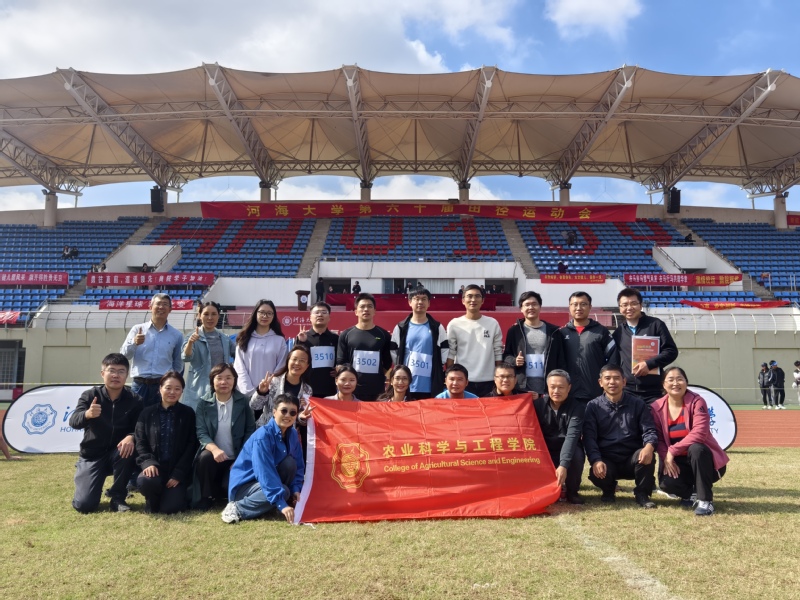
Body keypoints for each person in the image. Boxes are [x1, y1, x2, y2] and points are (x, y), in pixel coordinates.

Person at [651, 367, 729, 516]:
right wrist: (666, 456)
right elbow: (659, 438)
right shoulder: (656, 407)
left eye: (679, 379)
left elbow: (700, 433)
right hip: (678, 462)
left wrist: (672, 450)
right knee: (667, 484)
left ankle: (705, 501)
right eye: (670, 380)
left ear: (686, 382)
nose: (675, 383)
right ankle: (691, 493)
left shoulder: (697, 401)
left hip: (705, 462)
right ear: (663, 384)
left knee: (696, 448)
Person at [70, 353, 142, 513]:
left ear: (127, 375)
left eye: (121, 371)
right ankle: (85, 474)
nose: (116, 375)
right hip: (92, 455)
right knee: (84, 505)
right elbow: (73, 421)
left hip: (118, 454)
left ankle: (117, 497)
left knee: (128, 448)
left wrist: (131, 436)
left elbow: (140, 427)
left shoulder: (135, 399)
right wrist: (87, 414)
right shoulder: (90, 395)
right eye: (112, 370)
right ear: (103, 373)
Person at [222, 393, 309, 524]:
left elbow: (298, 465)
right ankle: (237, 508)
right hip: (246, 486)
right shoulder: (263, 436)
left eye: (292, 413)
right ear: (274, 412)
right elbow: (264, 472)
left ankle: (273, 502)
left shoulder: (292, 434)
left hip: (267, 483)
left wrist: (296, 490)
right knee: (283, 491)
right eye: (283, 411)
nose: (288, 415)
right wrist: (281, 502)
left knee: (289, 464)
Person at [583, 364, 658, 508]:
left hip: (632, 458)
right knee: (596, 471)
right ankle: (608, 490)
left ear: (624, 382)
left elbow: (650, 430)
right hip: (607, 459)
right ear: (600, 382)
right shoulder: (593, 406)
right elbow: (589, 438)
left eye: (616, 378)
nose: (612, 382)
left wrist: (649, 447)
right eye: (607, 378)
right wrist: (596, 460)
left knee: (647, 455)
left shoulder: (637, 404)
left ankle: (642, 494)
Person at [194, 363, 256, 510]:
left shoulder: (243, 401)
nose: (224, 382)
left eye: (228, 378)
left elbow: (250, 430)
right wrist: (215, 449)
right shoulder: (203, 403)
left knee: (225, 488)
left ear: (234, 380)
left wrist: (241, 458)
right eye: (219, 378)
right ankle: (206, 496)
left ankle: (223, 490)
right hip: (214, 458)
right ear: (212, 381)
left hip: (236, 457)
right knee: (204, 457)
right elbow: (201, 432)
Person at [135, 371, 198, 514]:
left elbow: (192, 444)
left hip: (176, 470)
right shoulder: (147, 413)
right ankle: (152, 499)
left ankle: (170, 496)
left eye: (177, 388)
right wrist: (148, 463)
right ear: (160, 389)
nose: (172, 392)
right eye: (168, 388)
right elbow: (140, 441)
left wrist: (179, 473)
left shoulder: (188, 413)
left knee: (171, 508)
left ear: (182, 391)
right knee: (146, 482)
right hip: (155, 469)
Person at [613, 288, 679, 405]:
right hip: (628, 391)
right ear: (620, 308)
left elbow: (671, 351)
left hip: (653, 391)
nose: (629, 308)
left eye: (633, 303)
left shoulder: (656, 324)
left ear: (641, 305)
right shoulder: (619, 332)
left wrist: (649, 364)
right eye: (625, 305)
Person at [120, 293, 184, 407]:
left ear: (170, 309)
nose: (161, 307)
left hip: (162, 386)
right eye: (158, 304)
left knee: (162, 417)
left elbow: (178, 364)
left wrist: (170, 382)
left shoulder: (176, 335)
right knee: (136, 416)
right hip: (140, 385)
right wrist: (134, 343)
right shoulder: (137, 329)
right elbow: (124, 356)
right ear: (150, 307)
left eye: (165, 304)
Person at [533, 370, 586, 504]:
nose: (556, 391)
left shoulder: (577, 407)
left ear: (569, 388)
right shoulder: (538, 405)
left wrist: (563, 464)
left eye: (561, 387)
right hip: (545, 449)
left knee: (577, 455)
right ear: (547, 387)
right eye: (552, 387)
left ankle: (572, 492)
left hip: (568, 448)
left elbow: (572, 437)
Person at [503, 291, 565, 401]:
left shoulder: (554, 332)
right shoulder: (514, 331)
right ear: (521, 308)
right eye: (527, 305)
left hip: (548, 388)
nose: (531, 307)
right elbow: (506, 355)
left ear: (540, 307)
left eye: (534, 304)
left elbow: (561, 360)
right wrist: (514, 361)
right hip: (521, 387)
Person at [390, 287, 449, 399]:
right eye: (416, 299)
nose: (420, 302)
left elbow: (444, 350)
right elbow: (394, 351)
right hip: (406, 385)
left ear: (429, 303)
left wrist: (437, 366)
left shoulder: (437, 327)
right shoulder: (401, 327)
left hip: (430, 384)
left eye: (424, 299)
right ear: (410, 302)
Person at [446, 284, 503, 397]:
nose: (473, 299)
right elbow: (451, 353)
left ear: (483, 300)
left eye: (477, 296)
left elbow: (498, 353)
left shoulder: (492, 323)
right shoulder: (454, 324)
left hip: (488, 381)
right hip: (463, 381)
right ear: (463, 300)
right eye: (469, 296)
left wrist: (498, 377)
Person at [560, 291, 617, 404]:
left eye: (583, 304)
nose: (578, 308)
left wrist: (607, 384)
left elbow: (613, 360)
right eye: (575, 304)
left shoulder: (601, 332)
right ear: (569, 307)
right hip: (568, 394)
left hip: (596, 393)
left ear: (590, 307)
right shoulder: (561, 333)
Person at [336, 293, 392, 401]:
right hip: (352, 392)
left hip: (376, 391)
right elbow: (341, 364)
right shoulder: (346, 334)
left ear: (374, 311)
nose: (366, 309)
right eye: (362, 306)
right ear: (356, 311)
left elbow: (387, 363)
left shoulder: (384, 335)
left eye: (369, 306)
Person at [181, 301, 235, 411]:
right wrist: (190, 343)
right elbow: (186, 357)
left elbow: (239, 355)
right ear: (199, 316)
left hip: (220, 387)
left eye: (214, 314)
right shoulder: (192, 336)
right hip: (199, 388)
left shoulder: (224, 338)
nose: (210, 318)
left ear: (218, 316)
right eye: (206, 314)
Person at [234, 300, 288, 397]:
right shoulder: (244, 338)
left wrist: (267, 389)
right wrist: (249, 391)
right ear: (255, 313)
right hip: (246, 394)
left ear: (273, 316)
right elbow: (239, 367)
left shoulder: (279, 341)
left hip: (270, 394)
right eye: (262, 312)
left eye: (269, 313)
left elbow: (281, 368)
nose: (265, 316)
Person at [250, 345, 313, 426]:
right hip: (267, 429)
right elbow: (254, 406)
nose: (297, 363)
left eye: (302, 360)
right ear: (288, 361)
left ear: (307, 366)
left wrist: (301, 417)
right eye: (294, 359)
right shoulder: (272, 382)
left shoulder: (307, 390)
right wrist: (261, 392)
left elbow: (300, 418)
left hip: (288, 432)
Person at [295, 302, 339, 398]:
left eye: (324, 312)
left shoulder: (336, 339)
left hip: (329, 390)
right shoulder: (303, 337)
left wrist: (339, 370)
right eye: (317, 312)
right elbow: (295, 361)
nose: (320, 315)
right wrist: (301, 342)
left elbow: (341, 361)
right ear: (310, 317)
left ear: (329, 317)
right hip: (307, 389)